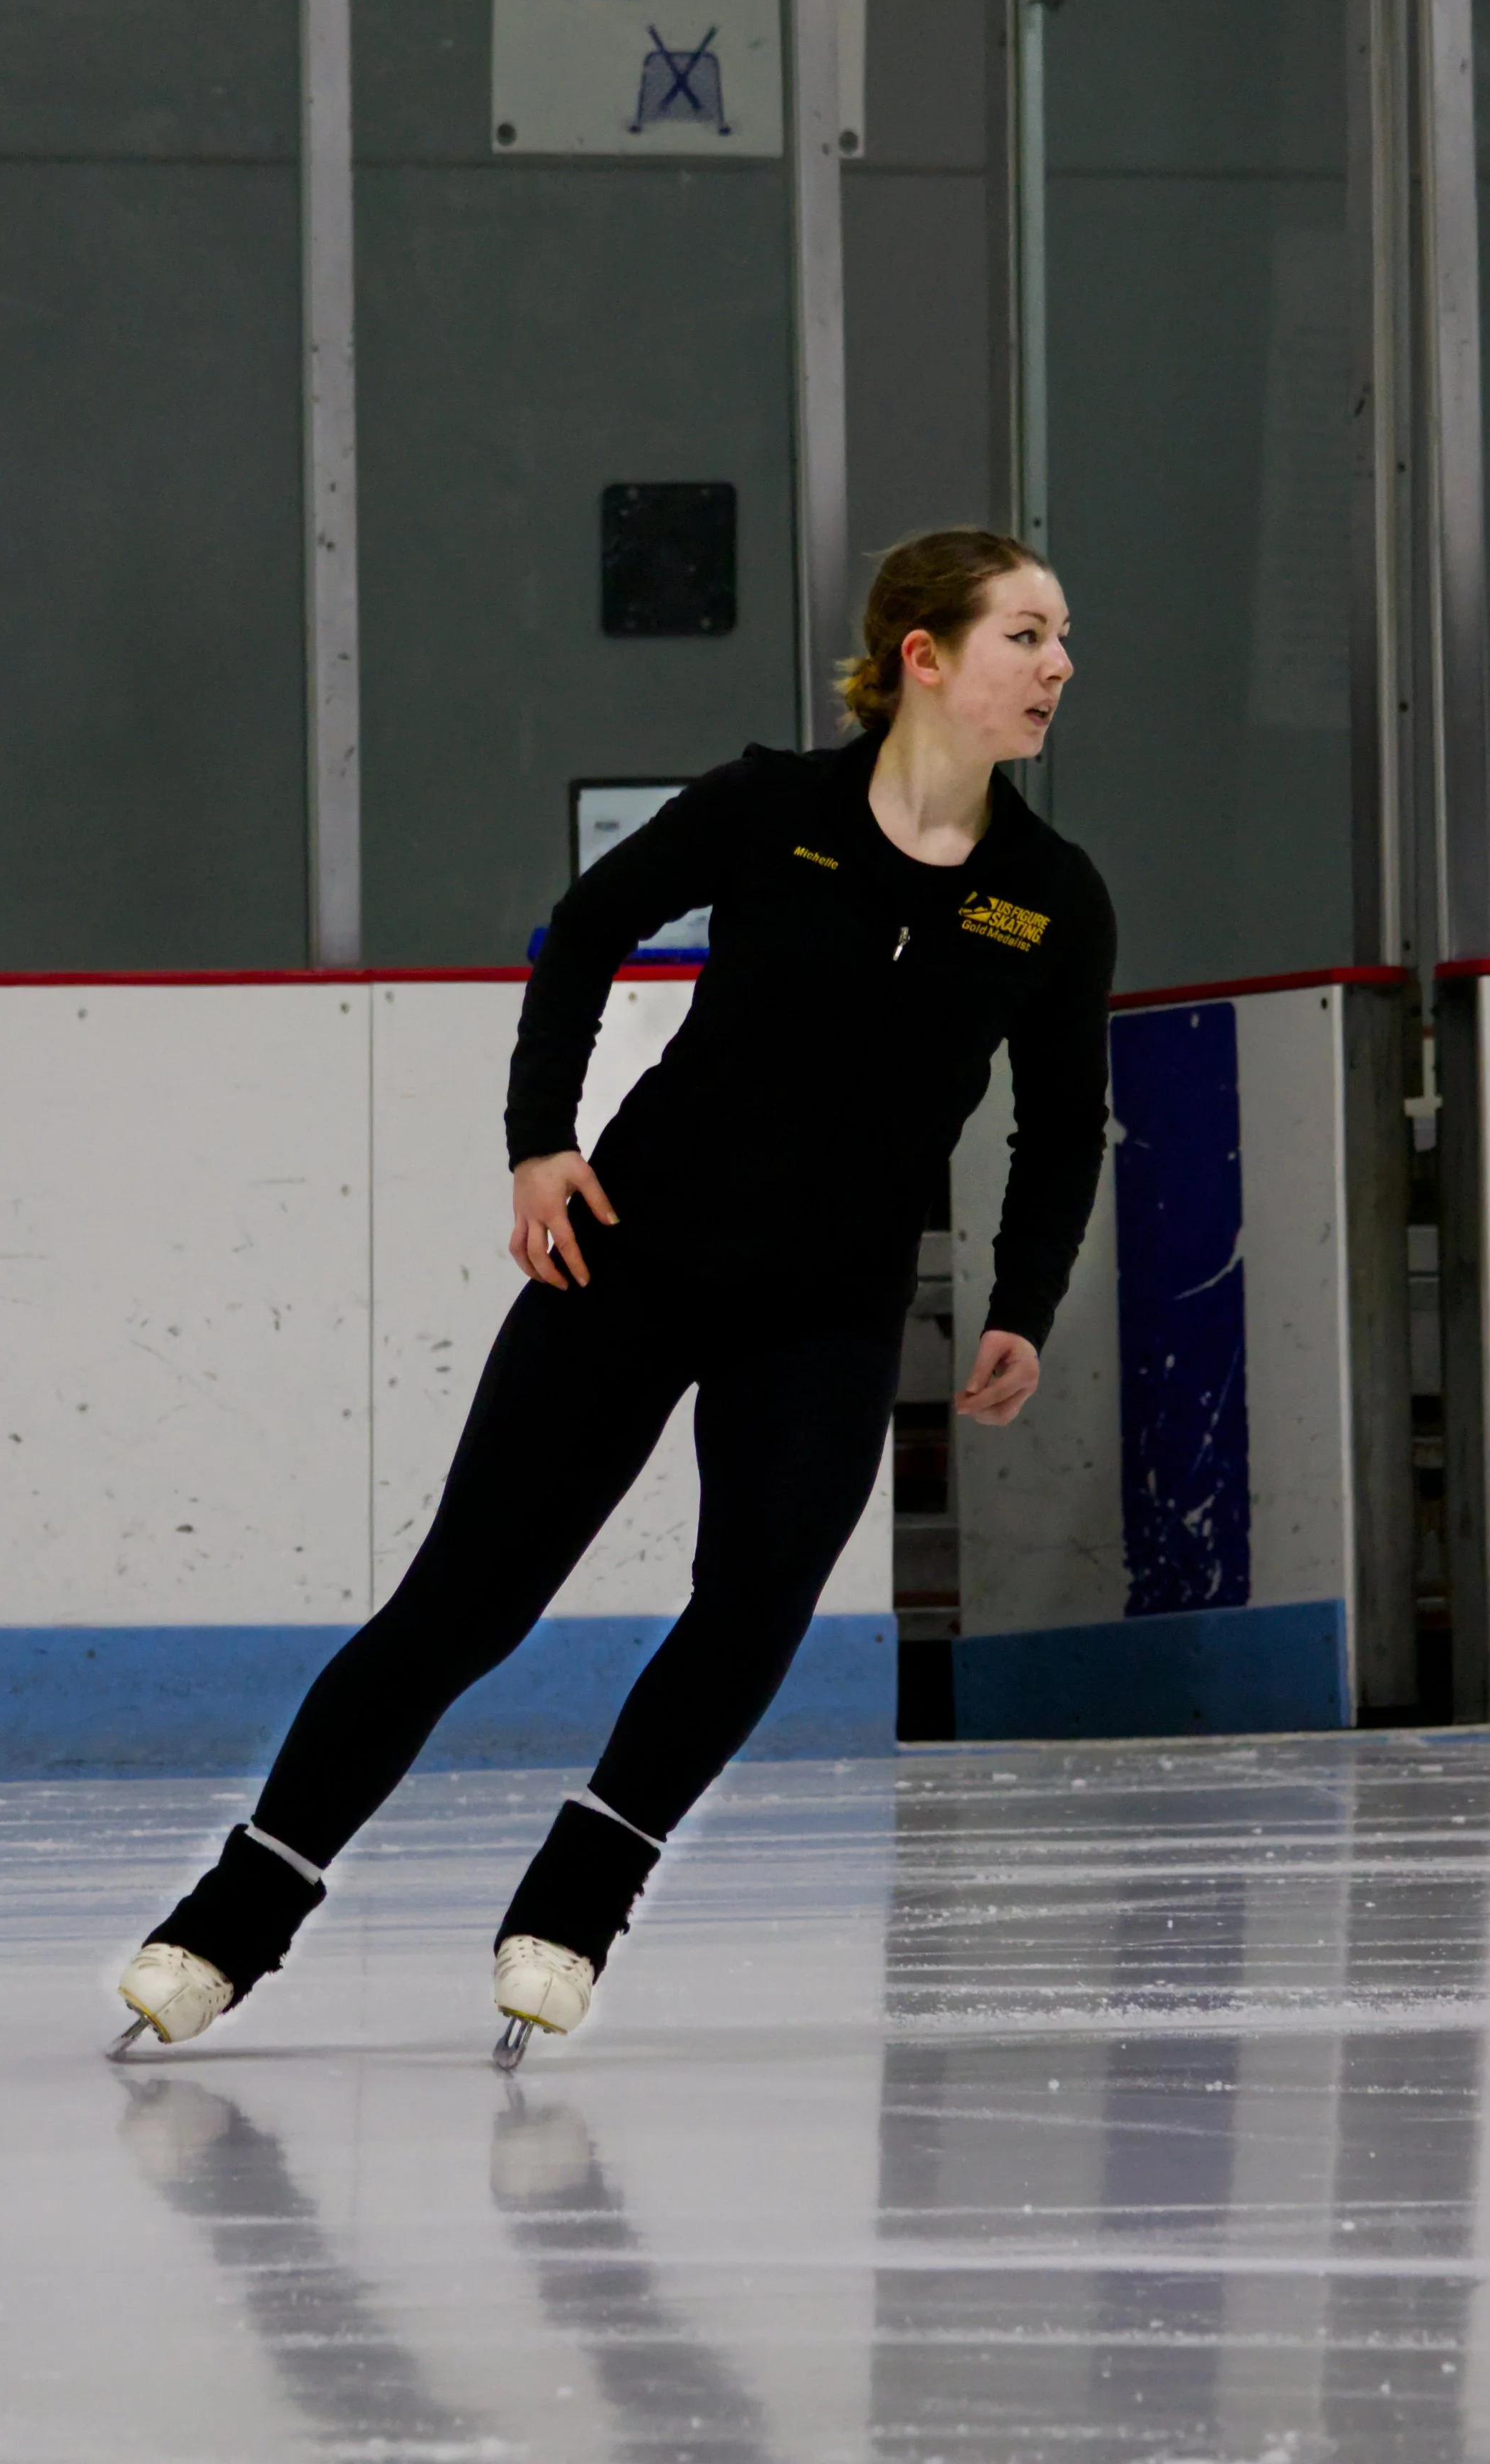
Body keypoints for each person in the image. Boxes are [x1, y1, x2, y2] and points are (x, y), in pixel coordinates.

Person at [111, 527, 1116, 2059]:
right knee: (464, 1601)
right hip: (629, 1259)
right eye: (1023, 636)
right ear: (922, 654)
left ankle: (576, 1901)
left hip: (830, 1304)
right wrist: (537, 1143)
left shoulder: (1047, 894)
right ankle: (231, 1919)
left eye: (1057, 640)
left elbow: (1056, 1122)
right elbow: (583, 931)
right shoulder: (767, 806)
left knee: (753, 1605)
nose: (1054, 666)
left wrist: (1019, 1302)